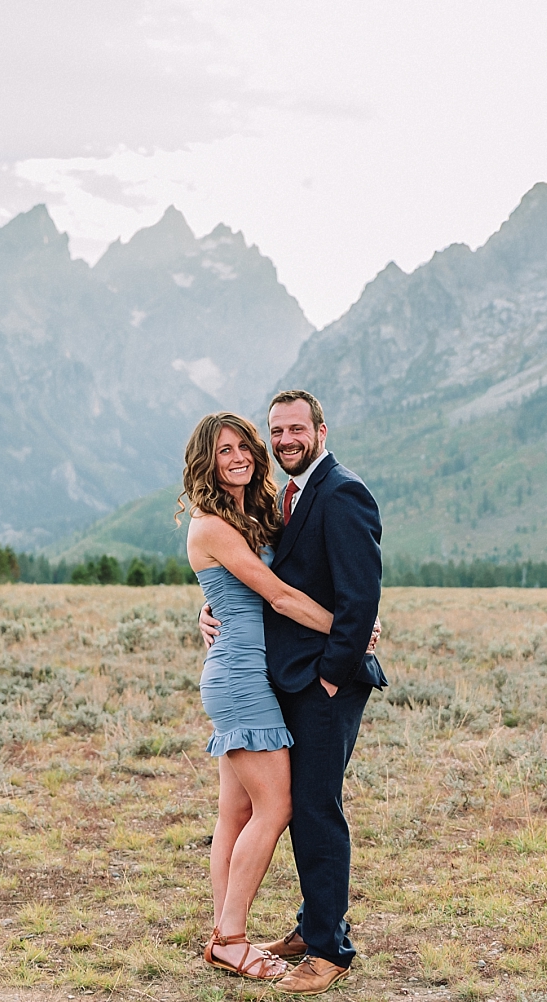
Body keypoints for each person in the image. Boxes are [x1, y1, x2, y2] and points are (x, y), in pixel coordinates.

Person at [200, 389, 386, 995]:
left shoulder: (343, 492)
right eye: (275, 432)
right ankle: (304, 929)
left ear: (321, 430)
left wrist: (341, 659)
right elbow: (267, 583)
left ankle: (328, 950)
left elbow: (359, 594)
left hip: (323, 681)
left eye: (295, 430)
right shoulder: (283, 498)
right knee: (280, 808)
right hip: (278, 679)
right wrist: (210, 607)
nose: (284, 441)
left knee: (312, 809)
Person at [181, 412, 333, 982]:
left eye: (244, 446)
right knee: (278, 806)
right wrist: (347, 629)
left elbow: (233, 594)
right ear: (207, 461)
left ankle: (225, 932)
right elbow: (277, 596)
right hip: (239, 679)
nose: (239, 456)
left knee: (236, 812)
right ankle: (233, 939)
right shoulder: (213, 524)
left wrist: (208, 609)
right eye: (224, 451)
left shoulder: (245, 513)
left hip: (243, 673)